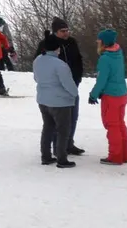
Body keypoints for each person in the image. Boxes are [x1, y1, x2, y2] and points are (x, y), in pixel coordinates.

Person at [33, 36, 79, 168]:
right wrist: (74, 94)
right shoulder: (60, 64)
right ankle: (62, 159)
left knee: (47, 128)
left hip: (43, 99)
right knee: (63, 130)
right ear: (57, 48)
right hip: (60, 102)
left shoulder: (38, 60)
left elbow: (36, 78)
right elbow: (68, 84)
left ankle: (46, 156)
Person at [89, 28, 127, 165]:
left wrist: (93, 95)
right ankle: (124, 154)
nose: (97, 43)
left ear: (104, 42)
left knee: (112, 126)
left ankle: (115, 156)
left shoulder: (105, 59)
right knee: (120, 124)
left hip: (111, 96)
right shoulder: (118, 52)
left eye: (99, 40)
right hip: (122, 94)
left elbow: (101, 80)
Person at [47, 18, 86, 155]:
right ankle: (58, 146)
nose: (66, 33)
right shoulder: (49, 44)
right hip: (57, 88)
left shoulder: (72, 42)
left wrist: (77, 79)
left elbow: (78, 61)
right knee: (59, 119)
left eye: (67, 30)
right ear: (55, 32)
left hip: (72, 85)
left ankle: (69, 143)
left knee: (73, 116)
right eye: (62, 31)